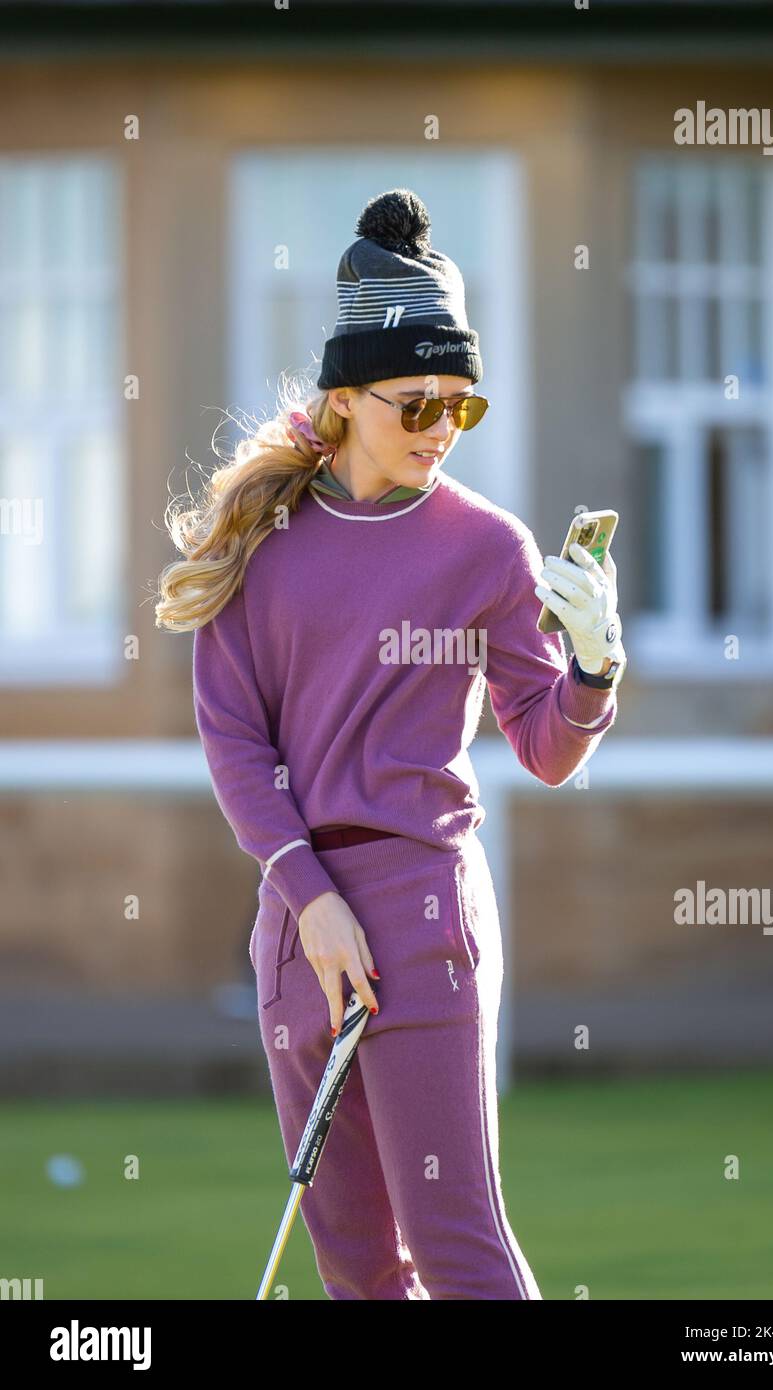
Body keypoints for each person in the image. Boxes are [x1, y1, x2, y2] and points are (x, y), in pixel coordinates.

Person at [155, 187, 626, 1300]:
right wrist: (308, 898)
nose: (437, 431)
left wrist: (595, 668)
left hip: (426, 914)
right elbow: (234, 743)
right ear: (346, 396)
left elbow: (545, 749)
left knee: (457, 1251)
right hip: (297, 929)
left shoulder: (488, 550)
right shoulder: (257, 549)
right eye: (415, 403)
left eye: (460, 408)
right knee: (359, 1270)